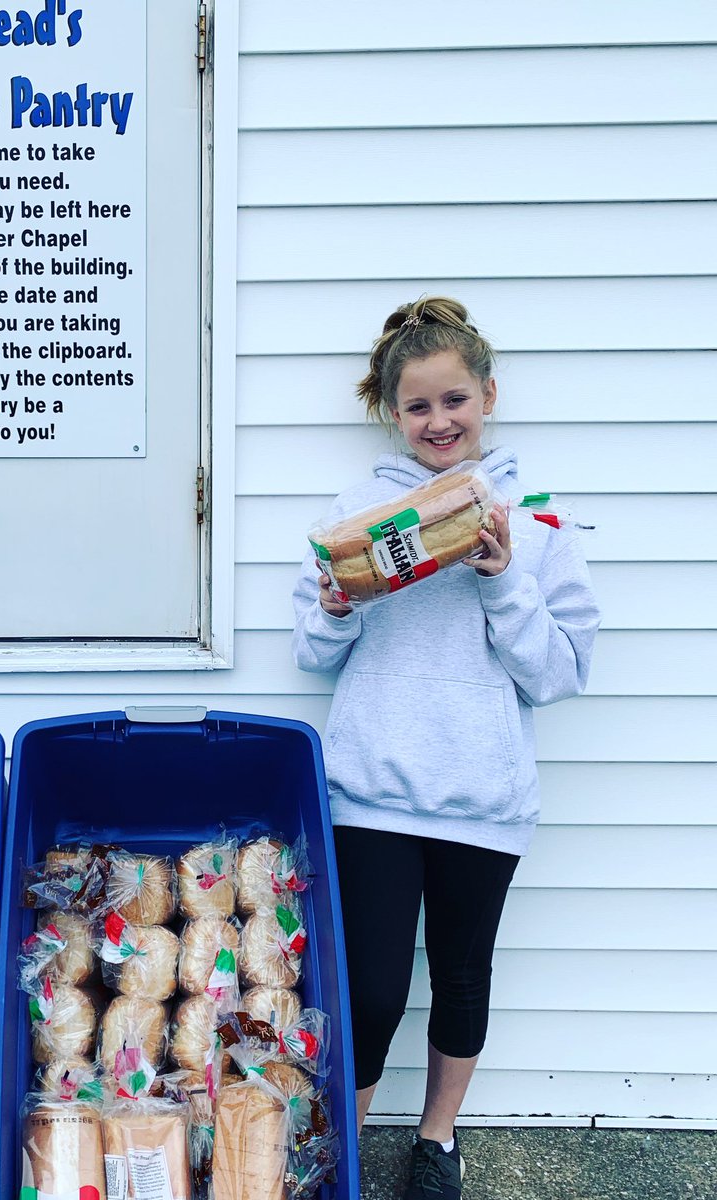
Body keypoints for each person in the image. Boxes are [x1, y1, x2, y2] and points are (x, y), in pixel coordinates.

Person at [291, 296, 601, 1199]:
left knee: (463, 980)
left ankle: (437, 1140)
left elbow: (561, 672)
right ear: (393, 412)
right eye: (419, 406)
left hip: (484, 797)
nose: (439, 421)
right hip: (372, 793)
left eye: (455, 400)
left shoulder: (537, 524)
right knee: (374, 993)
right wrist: (339, 605)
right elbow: (312, 651)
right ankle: (343, 1148)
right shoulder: (356, 512)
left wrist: (504, 580)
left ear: (488, 396)